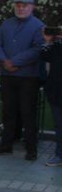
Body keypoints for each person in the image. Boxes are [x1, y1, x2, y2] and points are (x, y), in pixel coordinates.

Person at [0, 0, 46, 160]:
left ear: (32, 7)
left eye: (25, 5)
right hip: (8, 75)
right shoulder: (7, 24)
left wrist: (15, 61)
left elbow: (38, 49)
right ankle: (6, 144)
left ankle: (31, 149)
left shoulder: (39, 27)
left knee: (28, 113)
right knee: (8, 111)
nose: (21, 8)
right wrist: (4, 60)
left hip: (28, 77)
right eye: (18, 5)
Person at [41, 25, 62, 168]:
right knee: (59, 124)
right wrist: (48, 41)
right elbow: (44, 55)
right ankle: (60, 154)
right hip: (56, 90)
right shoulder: (56, 46)